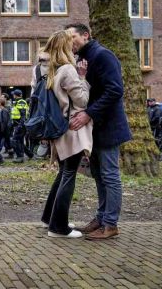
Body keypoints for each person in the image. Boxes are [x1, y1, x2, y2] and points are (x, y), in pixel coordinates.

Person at [67, 23, 131, 241]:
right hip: (95, 128)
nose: (70, 41)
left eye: (72, 36)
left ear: (85, 35)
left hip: (107, 126)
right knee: (99, 175)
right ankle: (102, 218)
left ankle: (111, 224)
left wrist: (89, 113)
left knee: (110, 176)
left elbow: (115, 90)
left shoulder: (103, 55)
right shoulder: (83, 57)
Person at [39, 30, 92, 238]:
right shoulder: (69, 70)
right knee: (69, 173)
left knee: (64, 172)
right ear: (65, 46)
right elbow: (82, 101)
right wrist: (83, 78)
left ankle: (50, 218)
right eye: (70, 41)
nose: (74, 44)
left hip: (58, 128)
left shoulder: (49, 70)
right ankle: (58, 227)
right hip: (72, 129)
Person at [10, 89, 30, 163]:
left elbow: (23, 115)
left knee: (15, 140)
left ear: (16, 95)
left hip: (20, 125)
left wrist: (20, 126)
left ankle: (20, 157)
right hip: (18, 124)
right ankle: (29, 154)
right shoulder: (18, 102)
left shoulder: (21, 102)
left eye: (14, 94)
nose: (13, 95)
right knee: (20, 141)